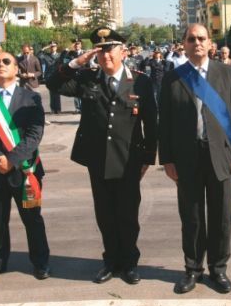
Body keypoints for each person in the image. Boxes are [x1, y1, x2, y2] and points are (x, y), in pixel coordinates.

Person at [46, 27, 157, 285]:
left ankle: (129, 263)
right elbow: (52, 83)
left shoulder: (140, 81)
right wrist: (76, 62)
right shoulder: (88, 78)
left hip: (129, 159)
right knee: (105, 214)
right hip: (97, 158)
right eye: (100, 50)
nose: (105, 55)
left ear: (123, 51)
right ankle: (110, 261)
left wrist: (149, 158)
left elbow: (151, 123)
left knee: (128, 214)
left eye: (110, 49)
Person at [159, 24, 231, 294]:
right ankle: (193, 269)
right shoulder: (172, 78)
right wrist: (167, 159)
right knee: (192, 216)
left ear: (210, 43)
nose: (196, 43)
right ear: (183, 45)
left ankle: (218, 269)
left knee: (222, 215)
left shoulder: (228, 73)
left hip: (221, 155)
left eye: (201, 38)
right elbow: (165, 123)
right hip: (187, 157)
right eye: (191, 39)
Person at [0, 50, 50, 284]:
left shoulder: (31, 98)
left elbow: (35, 134)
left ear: (16, 69)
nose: (0, 65)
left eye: (6, 61)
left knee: (32, 219)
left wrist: (11, 159)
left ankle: (41, 261)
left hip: (25, 170)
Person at [39, 42, 62, 114]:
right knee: (51, 93)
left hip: (57, 75)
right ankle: (52, 109)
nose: (53, 48)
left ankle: (58, 109)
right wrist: (44, 48)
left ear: (56, 47)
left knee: (57, 92)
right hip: (49, 76)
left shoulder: (59, 55)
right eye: (51, 47)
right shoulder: (46, 55)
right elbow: (39, 56)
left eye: (54, 46)